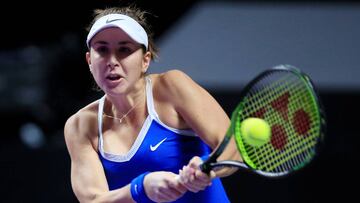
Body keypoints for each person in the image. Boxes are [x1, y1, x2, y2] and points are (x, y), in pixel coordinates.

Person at [64, 4, 239, 203]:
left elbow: (233, 144)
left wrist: (209, 168)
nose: (112, 60)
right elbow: (93, 199)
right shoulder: (80, 125)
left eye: (124, 49)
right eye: (102, 49)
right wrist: (141, 188)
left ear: (145, 60)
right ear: (89, 60)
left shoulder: (172, 86)